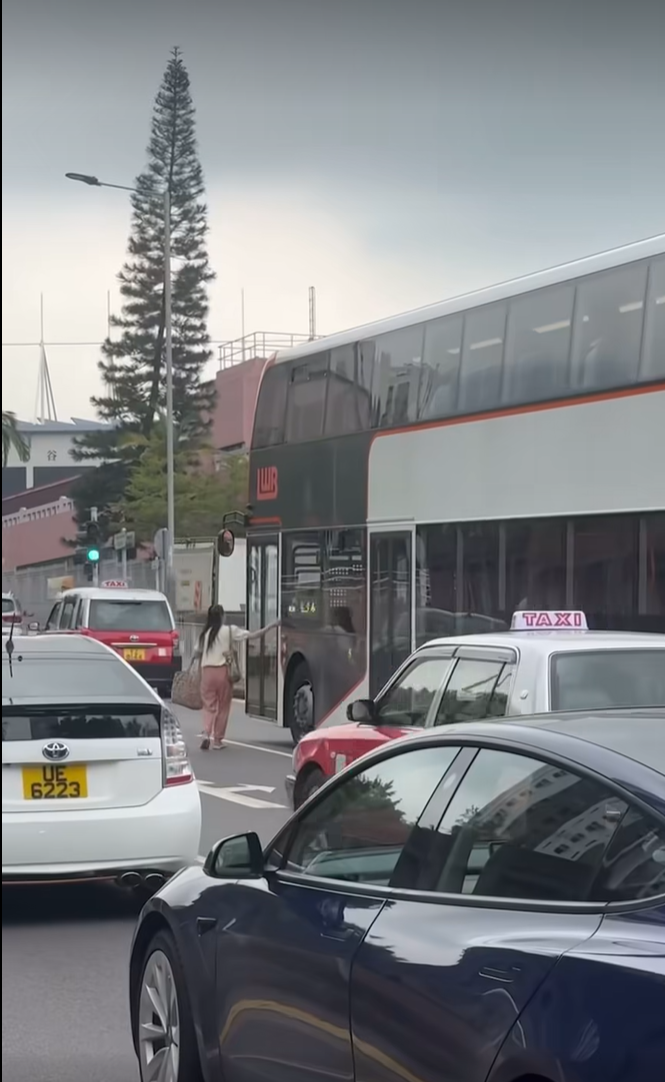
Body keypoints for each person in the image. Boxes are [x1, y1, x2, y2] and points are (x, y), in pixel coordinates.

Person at [197, 604, 278, 750]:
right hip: (223, 672)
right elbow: (253, 635)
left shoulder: (205, 633)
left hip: (206, 672)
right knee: (223, 707)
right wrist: (271, 626)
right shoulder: (229, 631)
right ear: (222, 616)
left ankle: (205, 733)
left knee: (208, 706)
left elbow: (197, 653)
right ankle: (217, 741)